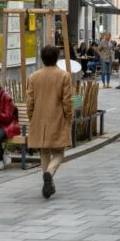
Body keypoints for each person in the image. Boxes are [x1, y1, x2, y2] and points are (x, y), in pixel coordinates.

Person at [26, 46, 73, 198]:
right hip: (57, 117)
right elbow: (67, 101)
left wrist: (31, 116)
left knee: (44, 150)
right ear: (57, 58)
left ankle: (48, 180)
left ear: (42, 58)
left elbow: (29, 101)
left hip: (39, 118)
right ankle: (49, 173)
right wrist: (69, 117)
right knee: (59, 152)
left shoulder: (33, 76)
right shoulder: (64, 76)